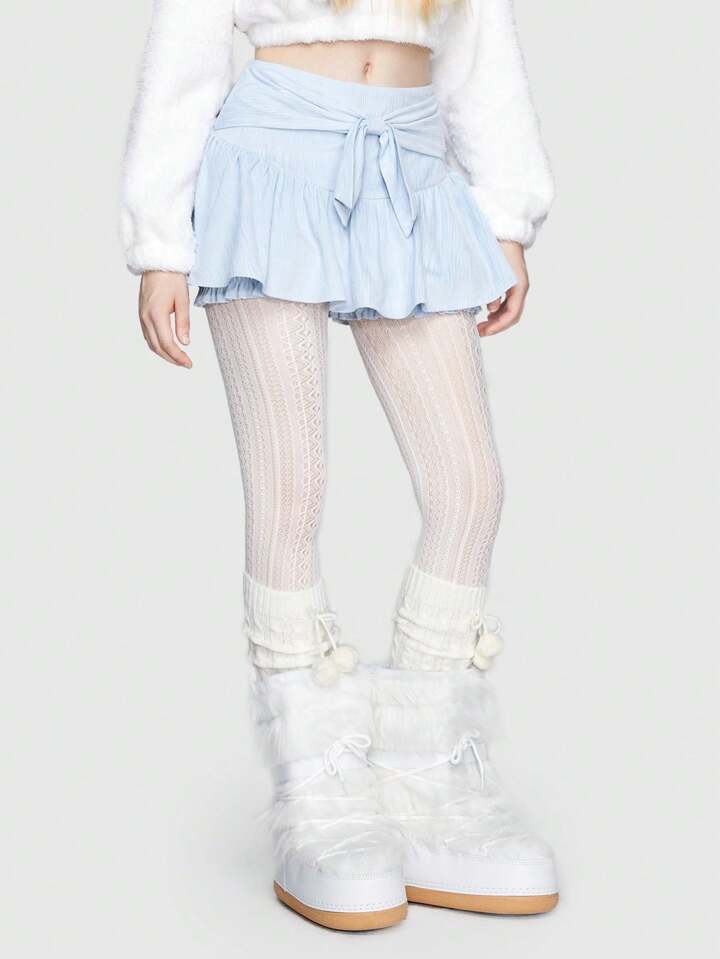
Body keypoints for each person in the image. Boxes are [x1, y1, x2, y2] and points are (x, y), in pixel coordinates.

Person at [121, 0, 558, 931]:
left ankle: (428, 776)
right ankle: (319, 788)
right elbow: (186, 43)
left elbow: (480, 43)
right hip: (272, 157)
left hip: (412, 165)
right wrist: (160, 241)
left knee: (469, 486)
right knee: (292, 488)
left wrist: (505, 212)